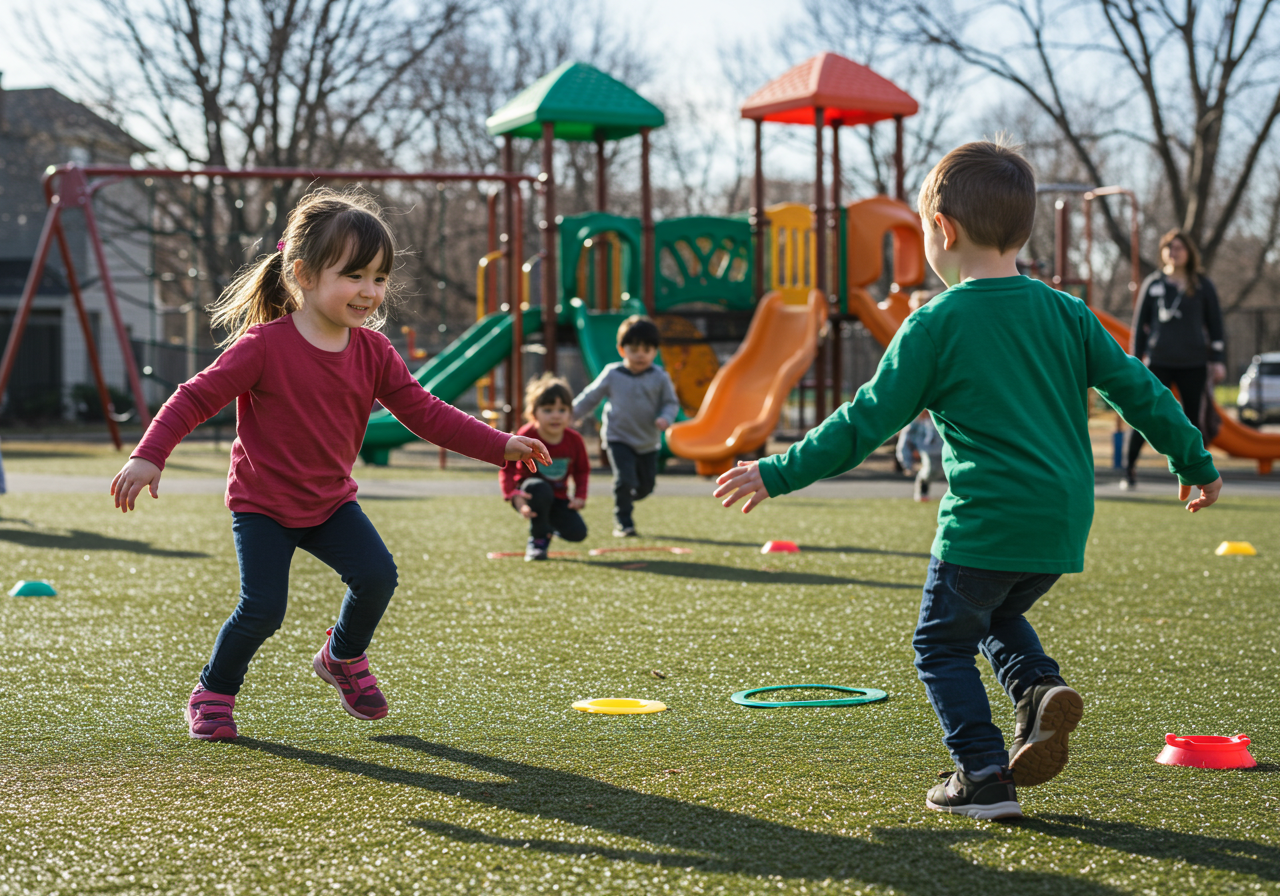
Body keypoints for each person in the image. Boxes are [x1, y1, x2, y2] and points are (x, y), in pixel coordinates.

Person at [713, 140, 1222, 820]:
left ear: (943, 230)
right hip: (1063, 518)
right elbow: (1143, 391)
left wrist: (775, 472)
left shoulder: (936, 323)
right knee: (999, 612)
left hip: (985, 521)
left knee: (940, 642)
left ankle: (981, 773)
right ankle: (1038, 687)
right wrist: (1195, 462)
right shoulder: (1068, 312)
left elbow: (863, 423)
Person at [109, 189, 550, 742]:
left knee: (377, 576)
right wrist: (149, 456)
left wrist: (500, 443)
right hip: (263, 505)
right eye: (354, 275)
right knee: (264, 609)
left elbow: (425, 413)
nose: (369, 291)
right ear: (304, 274)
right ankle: (213, 691)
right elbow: (194, 397)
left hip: (329, 502)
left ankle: (341, 656)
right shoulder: (263, 347)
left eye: (379, 278)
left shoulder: (374, 352)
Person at [1124, 229, 1227, 489]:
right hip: (1159, 362)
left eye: (1179, 247)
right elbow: (1139, 326)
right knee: (1147, 413)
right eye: (1169, 247)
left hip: (1193, 363)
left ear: (1189, 252)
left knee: (1193, 421)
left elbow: (1216, 325)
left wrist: (1217, 359)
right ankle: (1129, 469)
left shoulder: (1203, 284)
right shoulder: (1154, 283)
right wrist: (1135, 362)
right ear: (1162, 252)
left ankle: (1198, 475)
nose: (1174, 251)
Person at [573, 315, 679, 537]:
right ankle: (623, 521)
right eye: (634, 348)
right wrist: (571, 414)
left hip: (648, 441)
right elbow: (591, 396)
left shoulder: (660, 377)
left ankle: (626, 497)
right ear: (622, 350)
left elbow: (671, 403)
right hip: (618, 437)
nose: (640, 354)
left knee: (645, 487)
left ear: (655, 352)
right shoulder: (613, 373)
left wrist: (665, 418)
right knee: (624, 479)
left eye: (647, 349)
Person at [501, 373, 590, 561]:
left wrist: (580, 496)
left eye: (562, 409)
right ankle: (538, 540)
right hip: (529, 495)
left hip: (559, 497)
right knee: (539, 488)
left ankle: (548, 529)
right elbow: (507, 466)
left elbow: (582, 470)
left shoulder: (574, 440)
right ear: (534, 413)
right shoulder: (526, 435)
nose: (556, 415)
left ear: (570, 413)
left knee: (578, 533)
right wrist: (512, 495)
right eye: (548, 410)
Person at [896, 410, 945, 501]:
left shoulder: (939, 417)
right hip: (924, 449)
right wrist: (907, 464)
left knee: (939, 472)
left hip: (940, 450)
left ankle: (924, 486)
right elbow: (904, 441)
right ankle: (921, 489)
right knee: (929, 470)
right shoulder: (915, 421)